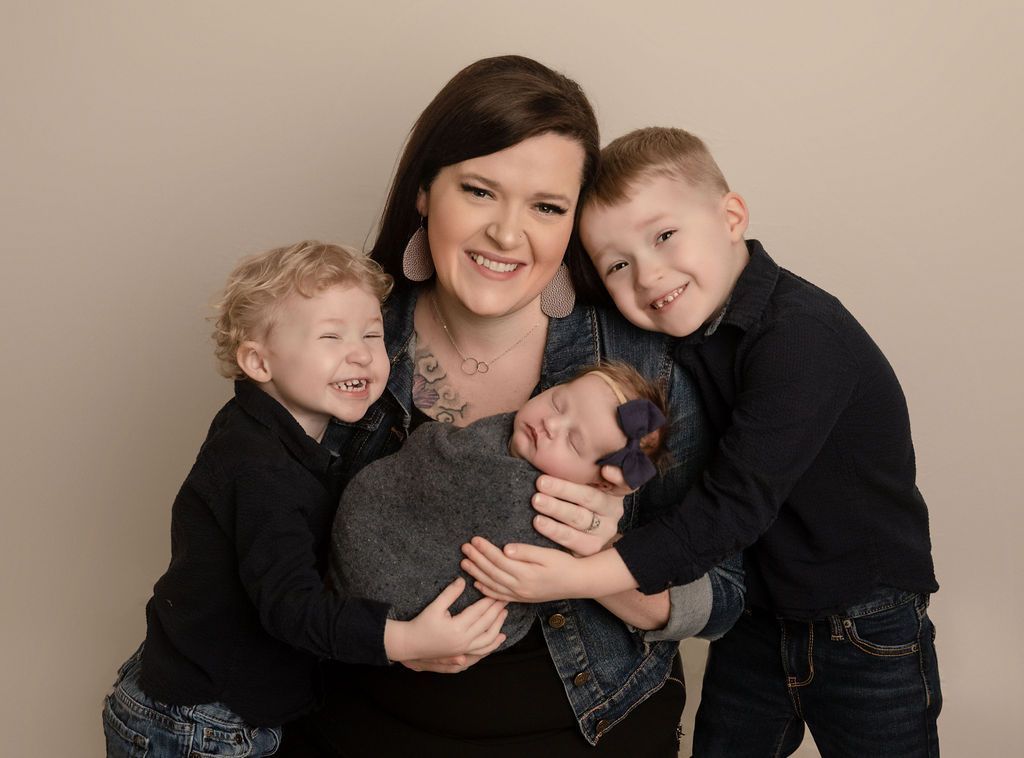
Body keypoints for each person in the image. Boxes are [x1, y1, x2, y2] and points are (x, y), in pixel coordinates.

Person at [282, 57, 744, 757]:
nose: (507, 234)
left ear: (574, 226)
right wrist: (387, 639)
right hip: (356, 719)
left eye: (547, 207)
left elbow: (728, 592)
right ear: (423, 193)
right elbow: (258, 552)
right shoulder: (337, 337)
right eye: (478, 190)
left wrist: (606, 566)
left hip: (593, 726)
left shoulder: (644, 366)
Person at [464, 127, 942, 757]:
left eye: (664, 236)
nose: (650, 274)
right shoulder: (681, 340)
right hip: (758, 619)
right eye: (617, 264)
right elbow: (660, 456)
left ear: (731, 216)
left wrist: (580, 574)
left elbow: (733, 504)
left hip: (866, 621)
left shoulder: (801, 338)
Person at [101, 241, 507, 758]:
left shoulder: (272, 430)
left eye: (372, 334)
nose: (360, 352)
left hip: (206, 697)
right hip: (200, 723)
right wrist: (405, 641)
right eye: (330, 336)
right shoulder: (259, 468)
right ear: (258, 361)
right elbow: (290, 607)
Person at [334, 362, 670, 651]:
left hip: (419, 609)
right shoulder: (496, 434)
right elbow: (429, 457)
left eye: (573, 441)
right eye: (557, 402)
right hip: (363, 535)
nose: (551, 424)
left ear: (600, 483)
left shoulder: (548, 511)